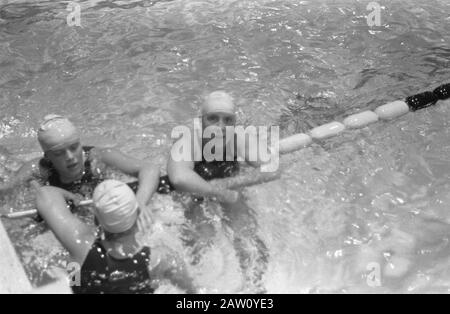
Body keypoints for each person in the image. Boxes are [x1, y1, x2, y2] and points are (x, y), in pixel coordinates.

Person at [34, 180, 196, 294]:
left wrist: (72, 197)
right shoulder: (160, 258)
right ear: (138, 214)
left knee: (70, 266)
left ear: (96, 219)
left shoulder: (81, 245)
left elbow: (44, 194)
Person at [0, 115, 162, 212]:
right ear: (48, 157)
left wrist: (139, 202)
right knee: (6, 166)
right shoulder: (37, 169)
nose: (70, 157)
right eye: (59, 153)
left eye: (74, 147)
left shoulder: (99, 158)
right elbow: (5, 192)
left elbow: (150, 169)